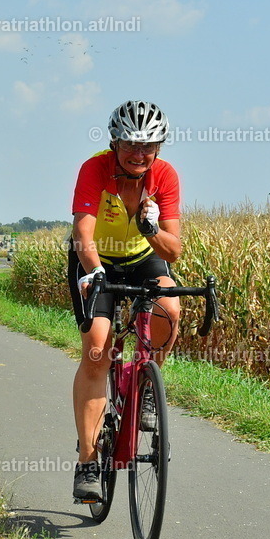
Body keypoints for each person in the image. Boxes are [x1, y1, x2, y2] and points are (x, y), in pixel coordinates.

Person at [69, 100, 182, 501]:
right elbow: (83, 232)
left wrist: (149, 226)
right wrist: (94, 272)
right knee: (98, 350)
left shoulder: (164, 176)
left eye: (148, 146)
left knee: (171, 306)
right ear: (115, 142)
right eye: (131, 144)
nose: (139, 154)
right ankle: (87, 460)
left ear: (159, 148)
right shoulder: (94, 169)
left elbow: (172, 251)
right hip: (94, 258)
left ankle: (147, 387)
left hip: (140, 257)